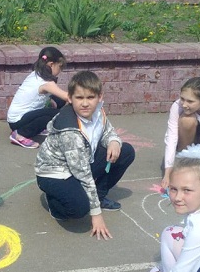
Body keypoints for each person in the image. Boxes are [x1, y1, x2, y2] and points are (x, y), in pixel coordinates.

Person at [35, 70, 135, 239]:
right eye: (79, 98)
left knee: (125, 151)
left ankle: (99, 196)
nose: (85, 103)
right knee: (79, 209)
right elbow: (83, 174)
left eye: (90, 97)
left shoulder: (98, 112)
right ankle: (54, 203)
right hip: (54, 174)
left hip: (81, 162)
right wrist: (96, 214)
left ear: (100, 97)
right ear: (69, 98)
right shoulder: (70, 130)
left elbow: (108, 131)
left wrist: (113, 141)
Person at [7, 46, 70, 149]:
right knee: (57, 114)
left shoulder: (36, 74)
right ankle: (20, 134)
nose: (60, 71)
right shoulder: (46, 82)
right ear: (51, 64)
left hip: (17, 117)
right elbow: (67, 97)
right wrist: (87, 97)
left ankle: (36, 127)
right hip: (18, 121)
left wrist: (50, 100)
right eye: (60, 67)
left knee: (58, 101)